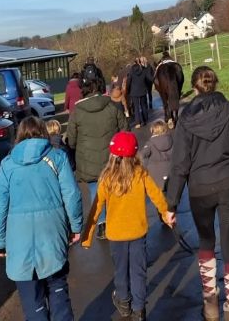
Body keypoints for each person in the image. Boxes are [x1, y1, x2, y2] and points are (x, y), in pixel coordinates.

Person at [166, 66, 229, 321]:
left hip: (200, 190)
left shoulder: (185, 120)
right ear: (215, 83)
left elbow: (179, 165)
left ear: (194, 87)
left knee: (206, 242)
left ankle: (210, 304)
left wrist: (171, 204)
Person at [0, 116, 83, 321]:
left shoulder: (8, 164)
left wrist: (1, 242)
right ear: (44, 132)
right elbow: (72, 195)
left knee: (32, 300)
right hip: (52, 233)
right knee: (58, 290)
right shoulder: (57, 157)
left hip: (19, 240)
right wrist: (76, 227)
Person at [81, 132, 173, 321]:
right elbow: (156, 195)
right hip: (138, 232)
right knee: (138, 271)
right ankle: (139, 310)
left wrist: (87, 236)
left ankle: (123, 302)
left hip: (116, 235)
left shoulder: (107, 178)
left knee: (121, 270)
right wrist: (166, 214)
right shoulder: (141, 173)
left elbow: (96, 208)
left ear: (112, 154)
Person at [67, 76, 127, 240]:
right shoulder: (112, 106)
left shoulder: (77, 112)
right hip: (112, 157)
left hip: (88, 160)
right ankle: (117, 217)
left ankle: (102, 223)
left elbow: (71, 140)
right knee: (114, 187)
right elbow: (124, 130)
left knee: (95, 190)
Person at [140, 119, 173, 193]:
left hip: (155, 174)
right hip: (169, 172)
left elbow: (142, 155)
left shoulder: (150, 143)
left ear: (153, 130)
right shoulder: (171, 140)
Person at [126, 56, 152, 129]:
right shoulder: (143, 70)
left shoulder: (131, 71)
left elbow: (128, 81)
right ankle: (145, 119)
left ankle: (138, 122)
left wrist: (128, 89)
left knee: (136, 107)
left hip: (134, 91)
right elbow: (148, 79)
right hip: (143, 90)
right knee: (143, 105)